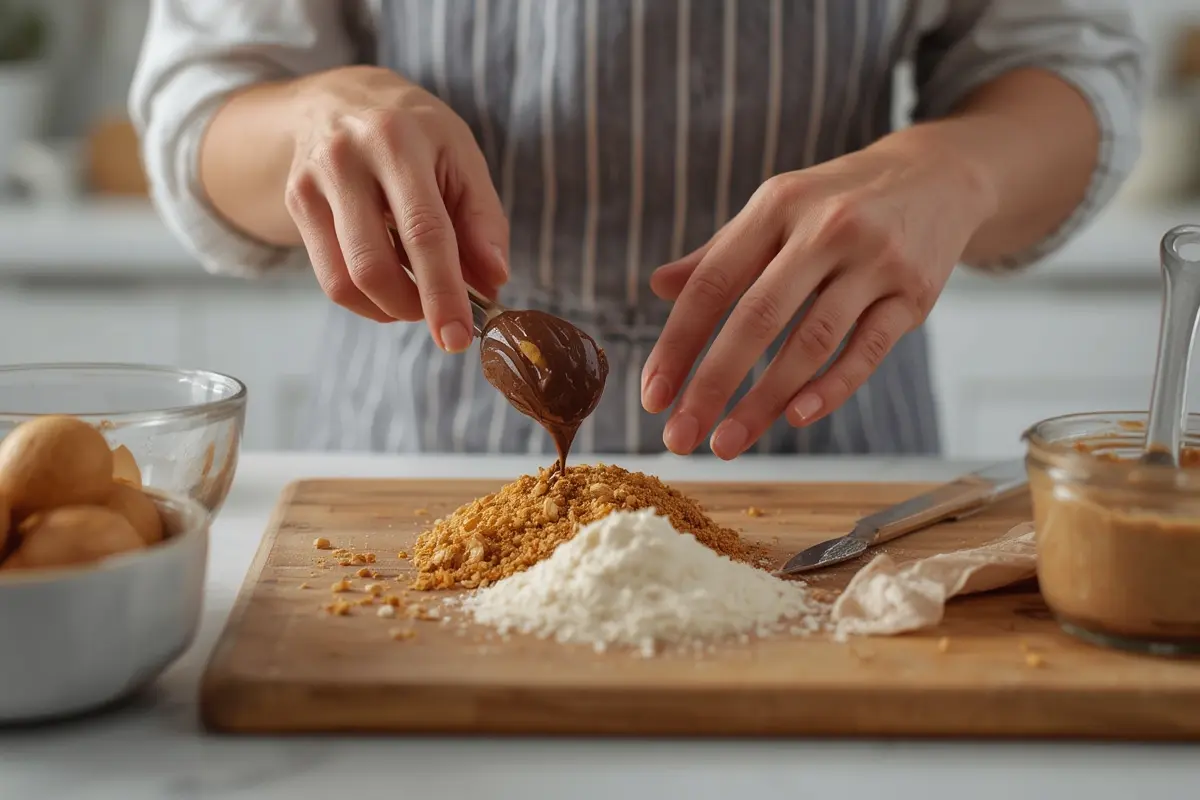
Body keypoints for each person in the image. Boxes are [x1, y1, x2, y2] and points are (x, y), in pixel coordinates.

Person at [130, 0, 1146, 459]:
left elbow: (1071, 61)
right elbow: (203, 104)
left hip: (822, 460)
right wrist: (312, 123)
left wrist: (958, 169)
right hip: (420, 448)